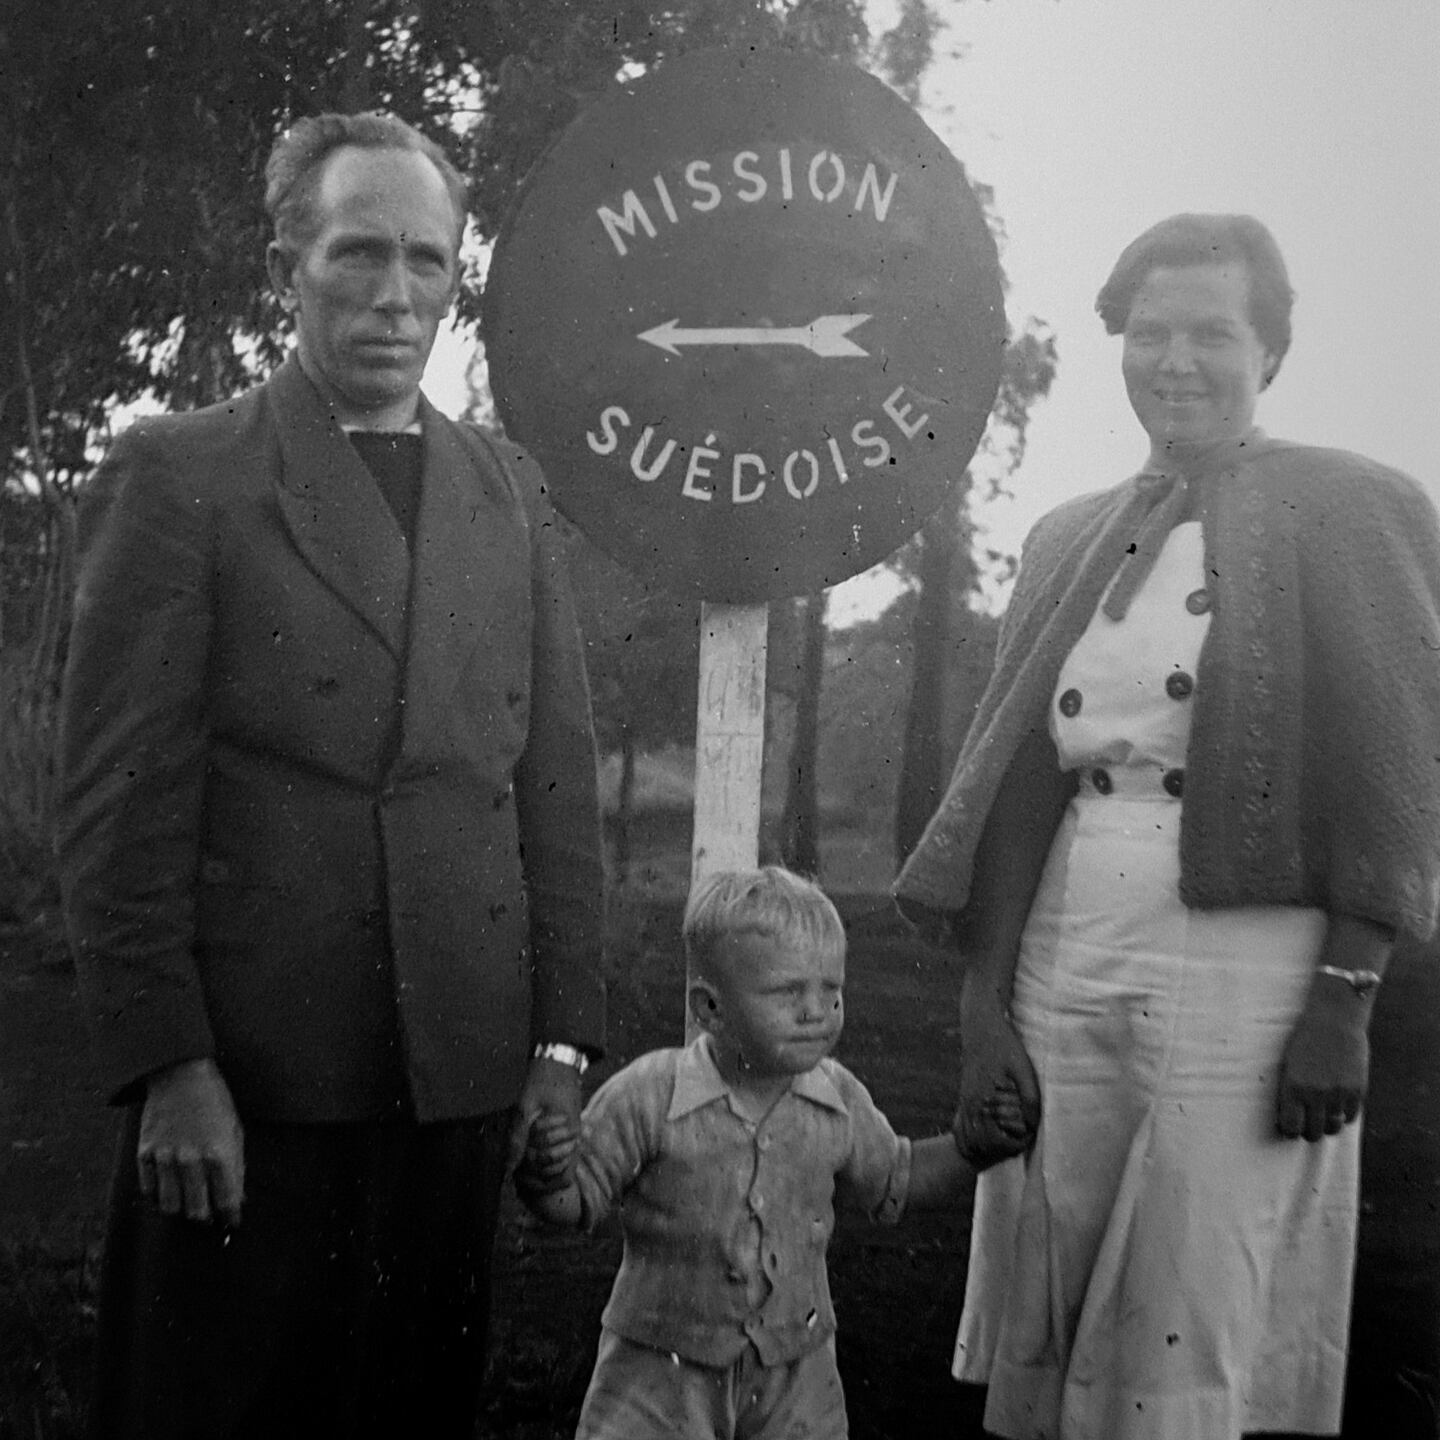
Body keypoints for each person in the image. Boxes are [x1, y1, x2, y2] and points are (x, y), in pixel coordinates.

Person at [54, 111, 606, 1439]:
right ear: (285, 268)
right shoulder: (184, 473)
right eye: (360, 252)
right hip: (252, 1090)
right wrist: (170, 1069)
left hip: (456, 1085)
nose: (397, 294)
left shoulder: (509, 489)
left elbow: (554, 794)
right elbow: (119, 810)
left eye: (429, 258)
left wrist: (560, 1047)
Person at [894, 213, 1440, 1440]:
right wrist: (985, 1010)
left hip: (1251, 961)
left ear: (1274, 353)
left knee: (1191, 1304)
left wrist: (1346, 1002)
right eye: (1151, 333)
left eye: (1214, 332)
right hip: (1068, 938)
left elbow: (1397, 776)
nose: (1176, 359)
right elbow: (1019, 784)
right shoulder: (1068, 533)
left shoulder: (1359, 509)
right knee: (1058, 1267)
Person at [517, 867, 1013, 1440]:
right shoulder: (651, 1093)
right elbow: (573, 1201)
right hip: (661, 1368)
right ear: (710, 1009)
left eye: (833, 991)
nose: (817, 1011)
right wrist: (547, 1172)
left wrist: (971, 1150)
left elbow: (897, 1179)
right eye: (789, 991)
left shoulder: (837, 1099)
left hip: (795, 1370)